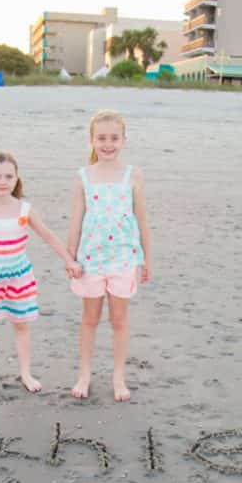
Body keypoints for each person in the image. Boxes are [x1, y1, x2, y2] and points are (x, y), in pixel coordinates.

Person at [0, 152, 82, 394]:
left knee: (21, 324)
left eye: (9, 176)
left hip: (18, 275)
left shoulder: (24, 209)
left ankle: (26, 373)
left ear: (16, 178)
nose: (3, 181)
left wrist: (69, 261)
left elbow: (48, 236)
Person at [67, 110, 150, 401]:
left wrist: (146, 258)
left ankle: (118, 377)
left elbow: (142, 219)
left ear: (123, 140)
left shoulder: (133, 175)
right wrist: (70, 257)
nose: (108, 143)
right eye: (101, 138)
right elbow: (76, 219)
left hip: (124, 259)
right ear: (92, 141)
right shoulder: (83, 177)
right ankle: (84, 375)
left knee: (119, 320)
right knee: (89, 319)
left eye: (114, 138)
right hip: (91, 259)